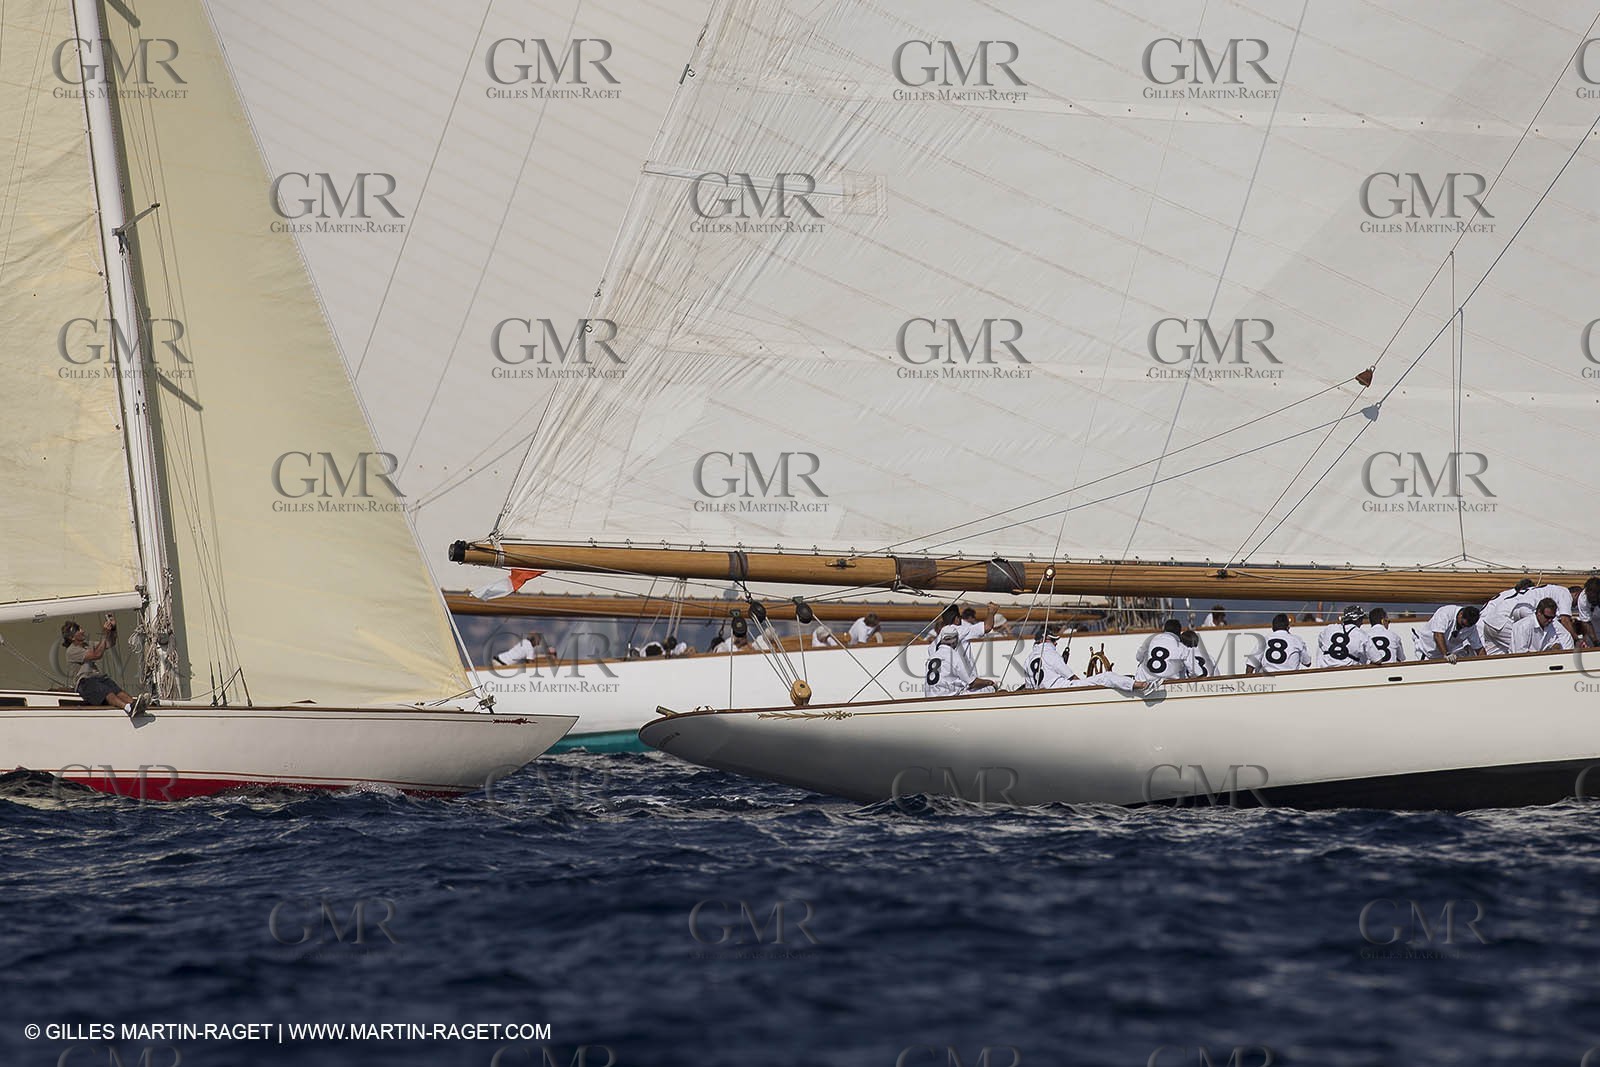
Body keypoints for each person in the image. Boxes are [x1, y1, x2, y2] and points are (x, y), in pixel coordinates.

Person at [1026, 624, 1156, 695]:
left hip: (1046, 694)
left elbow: (1029, 687)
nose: (1055, 643)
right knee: (1106, 676)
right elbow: (1071, 677)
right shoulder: (1049, 653)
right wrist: (1087, 688)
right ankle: (1142, 685)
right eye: (1053, 640)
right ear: (1045, 640)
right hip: (1062, 689)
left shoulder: (1028, 659)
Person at [62, 617, 147, 718]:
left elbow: (110, 643)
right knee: (106, 691)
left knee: (117, 690)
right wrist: (104, 634)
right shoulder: (71, 651)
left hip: (97, 677)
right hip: (84, 682)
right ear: (72, 637)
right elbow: (97, 654)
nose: (83, 631)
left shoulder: (87, 645)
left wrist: (113, 629)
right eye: (78, 630)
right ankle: (127, 707)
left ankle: (136, 705)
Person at [923, 605, 999, 697]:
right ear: (957, 619)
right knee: (998, 690)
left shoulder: (933, 646)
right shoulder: (960, 631)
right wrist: (991, 612)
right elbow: (987, 627)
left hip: (936, 693)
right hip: (962, 689)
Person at [1479, 579, 1537, 654]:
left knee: (1494, 653)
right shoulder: (1526, 596)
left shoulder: (1507, 594)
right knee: (1523, 644)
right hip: (1498, 624)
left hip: (1487, 622)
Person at [1413, 605, 1483, 661]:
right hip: (1425, 651)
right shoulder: (1445, 613)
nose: (1464, 627)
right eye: (1462, 624)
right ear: (1461, 614)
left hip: (1445, 657)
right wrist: (1447, 654)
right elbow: (1438, 635)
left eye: (1467, 626)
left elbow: (1479, 648)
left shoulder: (1471, 627)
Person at [1246, 614, 1312, 674]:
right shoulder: (1297, 640)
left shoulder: (1264, 640)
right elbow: (1307, 663)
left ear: (1273, 627)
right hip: (1290, 678)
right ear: (1288, 627)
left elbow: (1250, 664)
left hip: (1268, 678)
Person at [1136, 619, 1195, 686]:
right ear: (1179, 633)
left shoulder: (1150, 641)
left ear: (1164, 630)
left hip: (1143, 683)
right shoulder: (1183, 648)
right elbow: (1194, 671)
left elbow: (1138, 657)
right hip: (1170, 684)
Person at [1576, 577, 1600, 647]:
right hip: (1593, 621)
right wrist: (1596, 642)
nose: (1592, 599)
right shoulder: (1582, 600)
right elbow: (1586, 622)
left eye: (1594, 597)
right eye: (1590, 597)